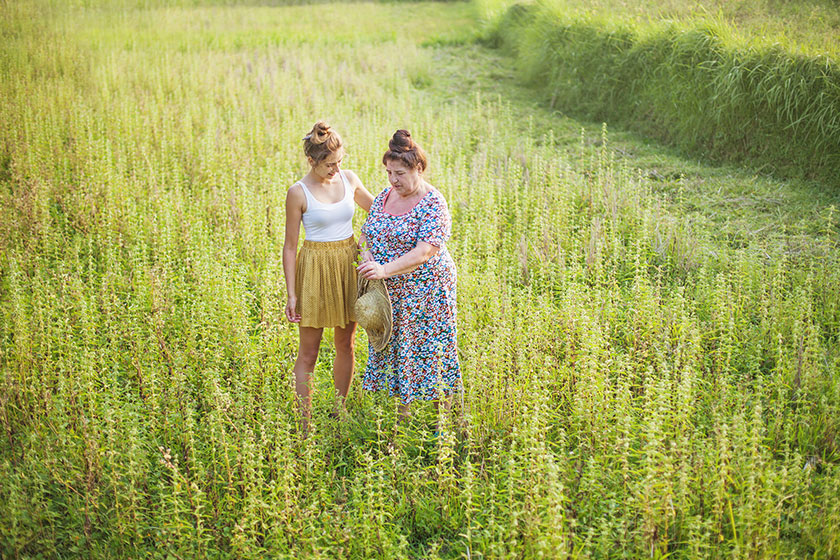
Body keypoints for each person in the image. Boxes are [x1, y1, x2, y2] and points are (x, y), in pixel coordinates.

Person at [356, 129, 460, 419]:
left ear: (419, 168)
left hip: (428, 291)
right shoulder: (385, 196)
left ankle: (444, 420)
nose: (393, 180)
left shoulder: (433, 203)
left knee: (432, 351)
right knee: (401, 351)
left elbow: (425, 252)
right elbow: (366, 233)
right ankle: (403, 419)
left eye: (400, 173)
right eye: (389, 172)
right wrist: (367, 256)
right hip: (392, 293)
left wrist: (384, 269)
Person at [283, 121, 373, 432]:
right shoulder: (298, 192)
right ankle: (304, 423)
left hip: (348, 264)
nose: (335, 170)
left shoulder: (349, 179)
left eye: (338, 163)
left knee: (345, 344)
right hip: (315, 270)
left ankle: (340, 409)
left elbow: (378, 213)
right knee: (308, 351)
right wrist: (291, 293)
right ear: (311, 160)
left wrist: (366, 239)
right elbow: (290, 246)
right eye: (328, 165)